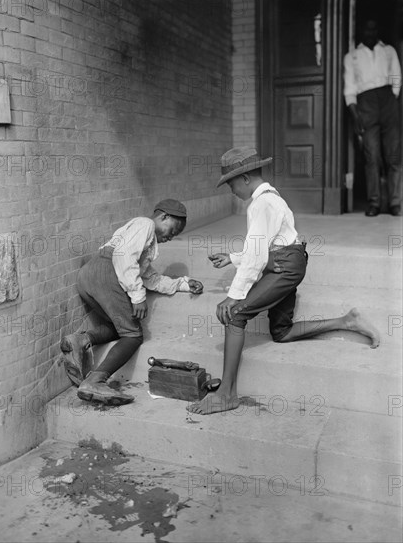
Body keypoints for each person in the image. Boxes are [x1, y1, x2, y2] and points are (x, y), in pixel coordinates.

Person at [187, 146, 380, 415]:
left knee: (234, 314)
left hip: (285, 266)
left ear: (244, 178)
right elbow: (264, 245)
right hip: (289, 260)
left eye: (230, 183)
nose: (230, 190)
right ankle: (346, 321)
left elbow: (258, 253)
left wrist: (234, 295)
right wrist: (232, 258)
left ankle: (226, 394)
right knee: (282, 332)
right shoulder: (269, 197)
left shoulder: (261, 203)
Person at [61, 199, 203, 406]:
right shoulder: (145, 224)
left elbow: (151, 278)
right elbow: (124, 257)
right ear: (163, 217)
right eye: (173, 230)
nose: (171, 236)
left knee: (117, 327)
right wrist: (138, 298)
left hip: (89, 276)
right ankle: (95, 380)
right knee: (133, 336)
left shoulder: (143, 239)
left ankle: (81, 340)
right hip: (108, 274)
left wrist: (183, 284)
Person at [343, 18, 402, 217]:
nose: (370, 32)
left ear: (377, 29)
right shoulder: (351, 57)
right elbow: (349, 88)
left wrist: (391, 100)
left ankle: (395, 203)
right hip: (365, 104)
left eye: (373, 28)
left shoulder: (389, 51)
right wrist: (356, 114)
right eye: (366, 29)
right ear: (361, 30)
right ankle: (374, 203)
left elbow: (396, 76)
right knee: (372, 156)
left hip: (388, 101)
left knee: (393, 154)